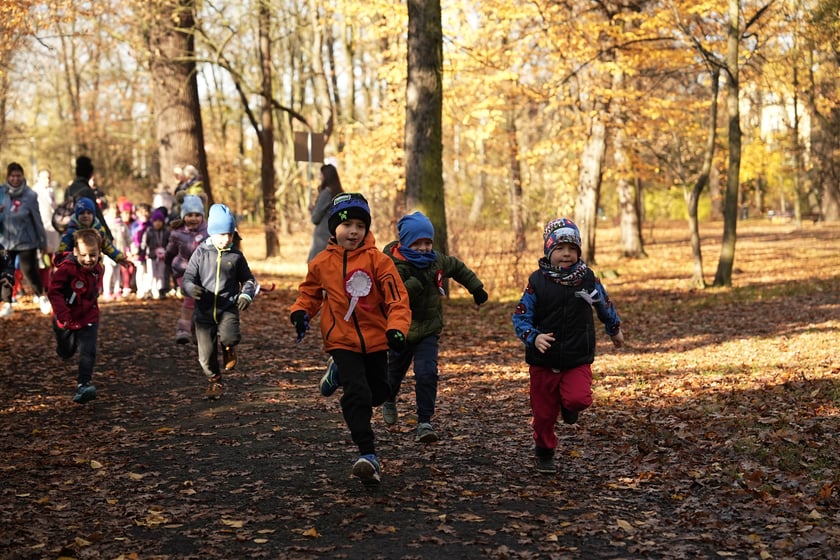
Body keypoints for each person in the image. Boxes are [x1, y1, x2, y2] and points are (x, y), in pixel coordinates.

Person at [290, 193, 411, 486]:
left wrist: (397, 329)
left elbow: (398, 299)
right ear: (334, 228)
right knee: (356, 394)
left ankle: (337, 374)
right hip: (340, 340)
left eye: (360, 225)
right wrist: (300, 312)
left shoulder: (379, 261)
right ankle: (367, 454)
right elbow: (309, 294)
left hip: (376, 339)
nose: (353, 231)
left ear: (367, 228)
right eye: (346, 225)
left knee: (380, 393)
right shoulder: (321, 263)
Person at [512, 218, 624, 474]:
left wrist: (614, 328)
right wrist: (533, 336)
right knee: (543, 415)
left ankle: (569, 406)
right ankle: (544, 451)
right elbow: (520, 316)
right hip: (543, 359)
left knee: (578, 399)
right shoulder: (536, 282)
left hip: (577, 355)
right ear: (549, 251)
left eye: (572, 249)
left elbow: (603, 303)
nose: (566, 254)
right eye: (560, 248)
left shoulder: (587, 279)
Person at [380, 211, 488, 443]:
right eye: (417, 243)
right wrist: (416, 283)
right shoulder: (392, 265)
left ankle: (424, 422)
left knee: (427, 373)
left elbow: (458, 268)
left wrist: (476, 288)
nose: (423, 248)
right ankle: (389, 398)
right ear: (405, 242)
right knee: (394, 372)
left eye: (427, 242)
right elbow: (394, 296)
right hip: (401, 330)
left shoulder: (436, 260)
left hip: (428, 329)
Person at [182, 204, 257, 400]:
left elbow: (249, 280)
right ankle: (214, 380)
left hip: (228, 308)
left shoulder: (236, 256)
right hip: (204, 312)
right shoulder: (201, 253)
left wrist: (246, 295)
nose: (226, 239)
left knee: (230, 337)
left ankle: (229, 347)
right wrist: (191, 289)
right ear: (212, 233)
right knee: (205, 356)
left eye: (230, 235)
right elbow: (188, 278)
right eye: (222, 234)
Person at [47, 228, 105, 404]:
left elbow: (94, 290)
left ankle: (84, 384)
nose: (88, 259)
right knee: (67, 350)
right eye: (84, 255)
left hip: (88, 316)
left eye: (93, 255)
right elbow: (53, 291)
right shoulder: (66, 269)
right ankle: (63, 348)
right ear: (75, 252)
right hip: (65, 318)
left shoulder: (98, 269)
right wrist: (63, 314)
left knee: (88, 350)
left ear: (99, 253)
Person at [0, 162, 51, 317]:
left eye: (18, 176)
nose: (15, 179)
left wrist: (42, 241)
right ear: (8, 177)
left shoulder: (30, 195)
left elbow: (37, 219)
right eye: (12, 176)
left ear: (23, 176)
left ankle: (41, 296)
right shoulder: (1, 193)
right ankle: (8, 303)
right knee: (6, 273)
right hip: (5, 241)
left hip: (26, 241)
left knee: (29, 271)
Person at [165, 194, 208, 344]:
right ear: (184, 216)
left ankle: (201, 330)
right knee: (190, 299)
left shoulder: (209, 232)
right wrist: (167, 260)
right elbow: (170, 251)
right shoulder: (177, 233)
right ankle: (183, 329)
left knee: (204, 301)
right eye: (190, 215)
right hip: (184, 271)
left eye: (197, 215)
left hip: (204, 273)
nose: (194, 218)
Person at [55, 198, 130, 271]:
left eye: (89, 213)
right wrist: (60, 260)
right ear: (77, 215)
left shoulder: (98, 230)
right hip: (76, 269)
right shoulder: (72, 232)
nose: (85, 215)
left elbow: (107, 246)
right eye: (82, 213)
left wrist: (118, 257)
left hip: (94, 268)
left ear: (93, 214)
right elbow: (63, 248)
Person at [65, 156, 112, 241]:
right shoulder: (87, 191)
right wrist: (107, 235)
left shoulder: (69, 189)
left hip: (70, 231)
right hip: (85, 236)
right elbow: (97, 214)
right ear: (90, 174)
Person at [307, 163, 344, 262]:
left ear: (326, 176)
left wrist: (312, 210)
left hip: (323, 238)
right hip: (336, 237)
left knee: (318, 267)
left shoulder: (326, 193)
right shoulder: (340, 194)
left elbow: (315, 218)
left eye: (321, 175)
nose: (320, 177)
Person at [31, 168, 59, 290]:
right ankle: (41, 286)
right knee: (42, 259)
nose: (47, 180)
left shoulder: (51, 191)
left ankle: (50, 283)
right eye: (44, 177)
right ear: (39, 178)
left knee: (52, 257)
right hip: (40, 229)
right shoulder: (34, 191)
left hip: (52, 229)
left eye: (49, 177)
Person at [141, 208, 171, 299]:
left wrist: (168, 251)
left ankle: (161, 290)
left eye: (160, 221)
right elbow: (144, 243)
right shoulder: (149, 231)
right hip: (151, 256)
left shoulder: (166, 232)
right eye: (155, 221)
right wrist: (142, 252)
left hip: (163, 257)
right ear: (152, 222)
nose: (157, 223)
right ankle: (148, 291)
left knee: (161, 274)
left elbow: (170, 243)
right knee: (151, 274)